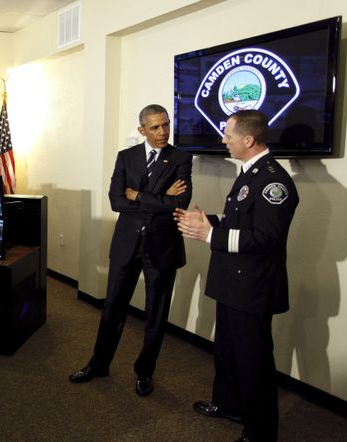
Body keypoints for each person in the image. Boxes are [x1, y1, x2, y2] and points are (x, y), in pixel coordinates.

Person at [175, 110, 298, 441]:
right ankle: (229, 403)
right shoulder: (249, 173)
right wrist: (208, 221)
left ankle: (259, 431)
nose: (223, 140)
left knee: (252, 360)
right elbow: (241, 221)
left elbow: (269, 238)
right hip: (234, 282)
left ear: (248, 139)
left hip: (253, 287)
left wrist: (210, 235)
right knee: (228, 350)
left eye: (228, 135)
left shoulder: (274, 181)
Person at [69, 104, 192, 397]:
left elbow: (181, 203)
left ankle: (145, 372)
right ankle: (99, 364)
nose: (162, 132)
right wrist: (160, 199)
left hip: (162, 248)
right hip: (127, 244)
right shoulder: (126, 157)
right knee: (113, 307)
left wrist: (138, 195)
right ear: (142, 130)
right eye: (155, 127)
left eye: (165, 125)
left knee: (156, 314)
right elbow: (115, 201)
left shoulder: (181, 158)